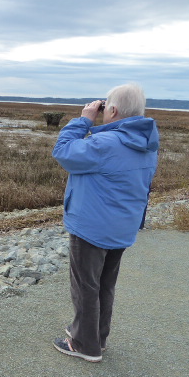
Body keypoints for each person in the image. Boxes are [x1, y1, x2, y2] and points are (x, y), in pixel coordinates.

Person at [51, 83, 159, 362]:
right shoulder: (147, 144)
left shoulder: (104, 143)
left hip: (92, 227)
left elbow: (63, 151)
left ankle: (84, 345)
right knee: (105, 284)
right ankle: (98, 337)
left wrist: (85, 119)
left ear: (111, 110)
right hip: (123, 226)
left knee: (85, 286)